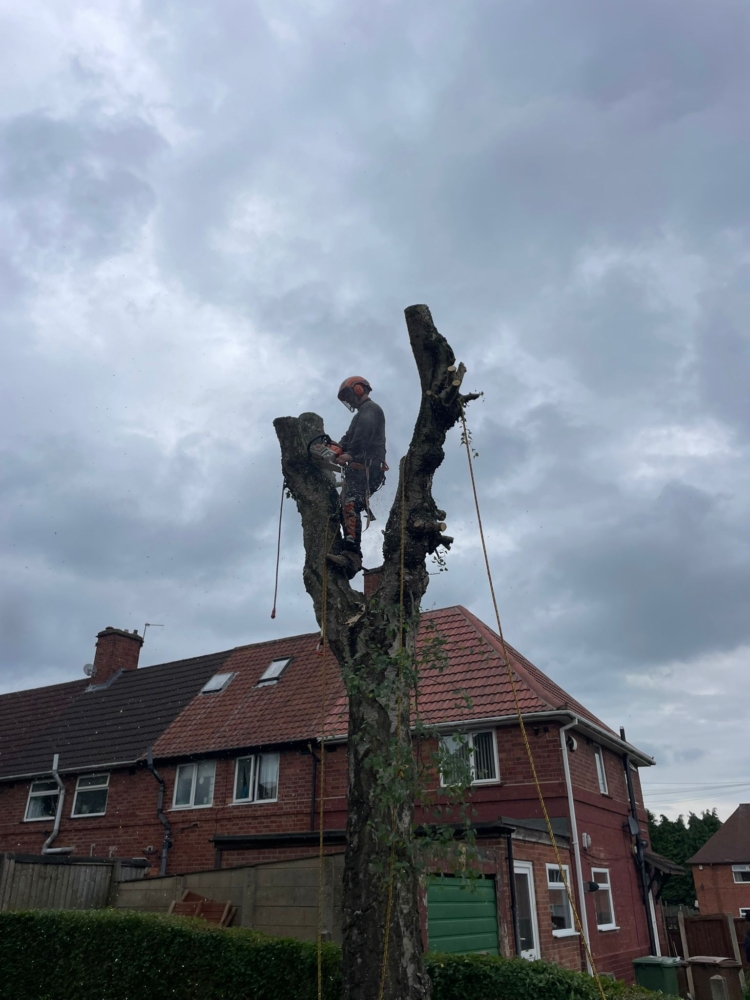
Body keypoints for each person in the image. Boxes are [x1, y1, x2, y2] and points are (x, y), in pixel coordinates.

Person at [326, 376, 387, 578]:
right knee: (345, 505)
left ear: (359, 390)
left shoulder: (371, 410)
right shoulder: (360, 415)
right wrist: (335, 447)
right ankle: (351, 552)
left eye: (349, 396)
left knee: (351, 503)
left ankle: (352, 553)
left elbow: (363, 437)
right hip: (358, 469)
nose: (350, 401)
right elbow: (349, 437)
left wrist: (350, 454)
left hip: (368, 469)